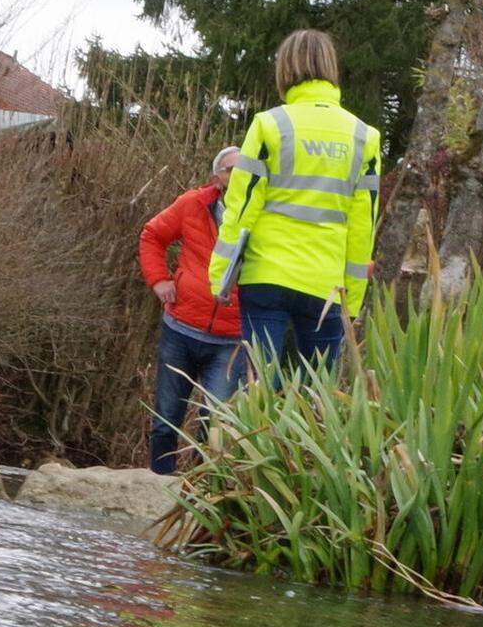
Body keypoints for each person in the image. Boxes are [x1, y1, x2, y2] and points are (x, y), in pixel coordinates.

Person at [210, 28, 383, 375]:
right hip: (326, 283)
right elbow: (363, 225)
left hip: (267, 275)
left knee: (259, 389)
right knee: (318, 396)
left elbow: (240, 208)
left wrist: (221, 277)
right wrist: (354, 297)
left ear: (285, 69)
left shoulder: (269, 125)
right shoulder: (365, 136)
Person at [137, 147, 249, 475]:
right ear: (217, 176)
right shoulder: (193, 204)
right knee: (166, 417)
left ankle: (198, 493)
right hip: (181, 328)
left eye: (246, 169)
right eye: (230, 169)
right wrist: (159, 280)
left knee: (213, 424)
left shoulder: (264, 214)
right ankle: (158, 484)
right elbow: (152, 236)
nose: (238, 175)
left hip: (231, 340)